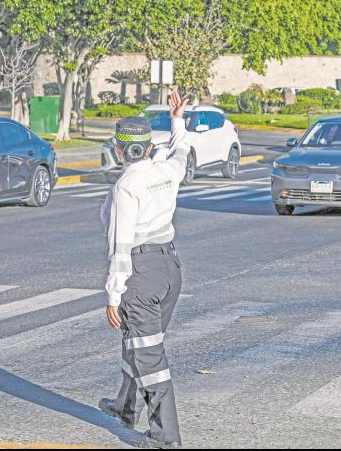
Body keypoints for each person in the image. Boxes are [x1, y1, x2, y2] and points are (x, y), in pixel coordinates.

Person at [98, 89, 189, 449]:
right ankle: (124, 405)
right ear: (149, 147)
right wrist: (177, 120)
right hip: (170, 268)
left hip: (141, 273)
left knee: (149, 355)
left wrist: (113, 293)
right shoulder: (166, 171)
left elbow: (120, 245)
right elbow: (181, 151)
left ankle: (166, 438)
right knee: (136, 341)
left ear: (119, 150)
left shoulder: (127, 185)